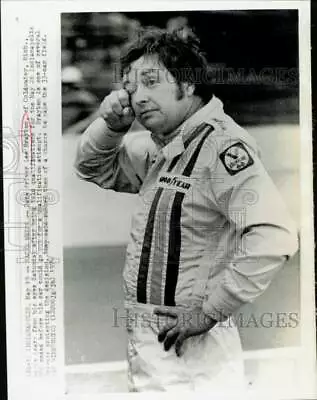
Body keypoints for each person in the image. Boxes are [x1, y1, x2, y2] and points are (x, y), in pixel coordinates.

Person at [74, 28, 298, 392]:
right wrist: (111, 127)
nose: (139, 98)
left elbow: (275, 234)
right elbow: (93, 167)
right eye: (131, 87)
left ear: (189, 84)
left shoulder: (222, 146)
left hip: (193, 347)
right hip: (151, 338)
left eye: (151, 82)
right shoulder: (161, 147)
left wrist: (211, 311)